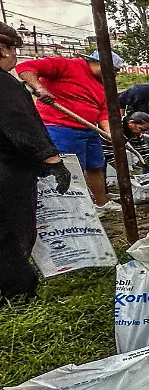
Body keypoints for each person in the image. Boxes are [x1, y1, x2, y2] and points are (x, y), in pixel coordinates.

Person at [0, 22, 73, 299]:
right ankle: (16, 293)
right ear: (2, 49)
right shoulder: (4, 84)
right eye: (12, 50)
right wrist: (52, 160)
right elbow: (20, 125)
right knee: (11, 231)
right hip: (7, 171)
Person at [15, 50, 120, 210]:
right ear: (100, 63)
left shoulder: (102, 85)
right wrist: (39, 88)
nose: (113, 75)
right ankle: (73, 208)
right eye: (113, 71)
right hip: (60, 128)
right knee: (69, 169)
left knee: (95, 166)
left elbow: (103, 111)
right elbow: (25, 67)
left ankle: (101, 202)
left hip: (89, 130)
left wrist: (109, 132)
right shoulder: (67, 65)